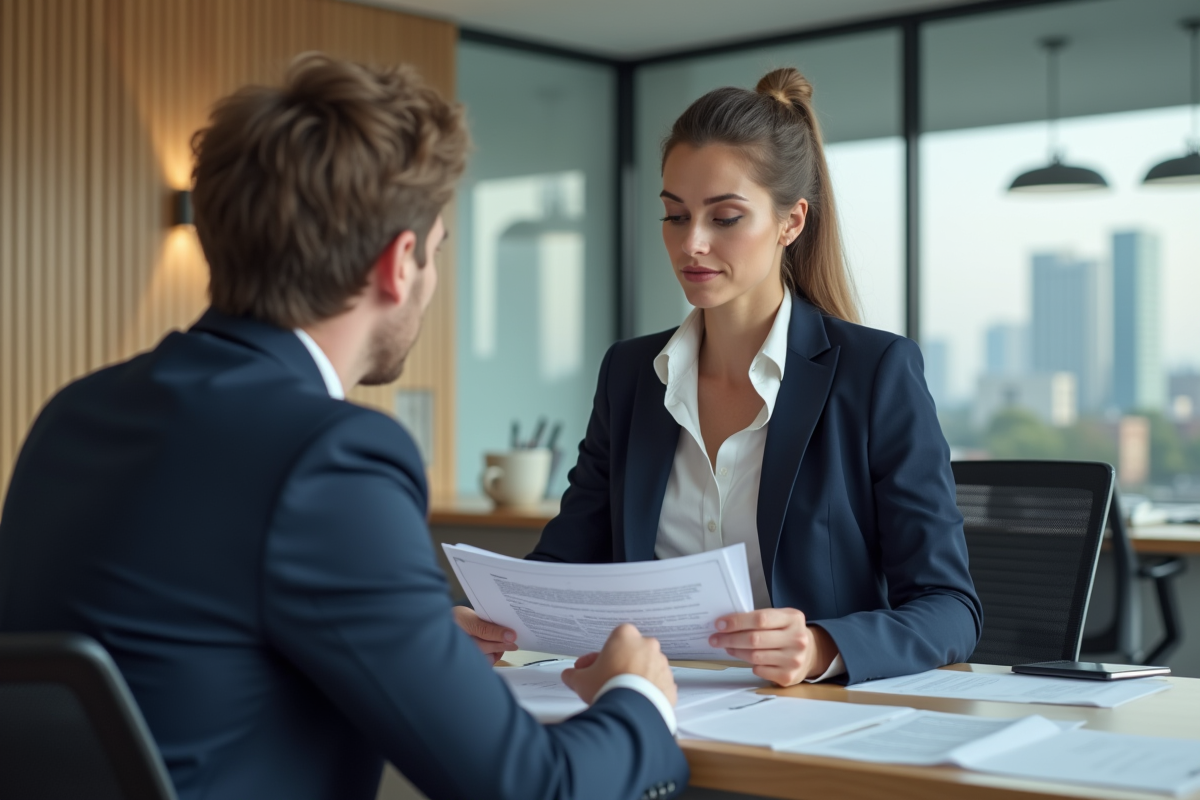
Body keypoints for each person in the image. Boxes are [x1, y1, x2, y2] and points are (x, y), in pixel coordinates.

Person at [0, 54, 687, 800]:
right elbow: (528, 787)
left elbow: (190, 655)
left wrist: (409, 640)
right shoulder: (327, 456)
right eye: (438, 251)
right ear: (399, 264)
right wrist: (637, 698)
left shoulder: (76, 412)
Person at [461, 68, 982, 688]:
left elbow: (951, 609)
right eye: (675, 216)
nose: (693, 244)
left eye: (725, 217)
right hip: (648, 706)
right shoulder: (630, 375)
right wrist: (496, 621)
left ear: (791, 223)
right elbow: (567, 560)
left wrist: (820, 647)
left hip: (807, 720)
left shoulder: (875, 372)